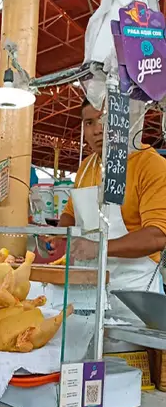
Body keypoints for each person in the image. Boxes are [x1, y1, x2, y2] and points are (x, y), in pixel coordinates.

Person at [56, 98, 166, 314]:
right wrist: (57, 236)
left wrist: (99, 248)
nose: (97, 130)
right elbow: (70, 215)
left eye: (104, 120)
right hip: (89, 290)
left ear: (123, 120)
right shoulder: (86, 168)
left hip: (134, 295)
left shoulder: (150, 164)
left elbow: (157, 236)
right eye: (89, 123)